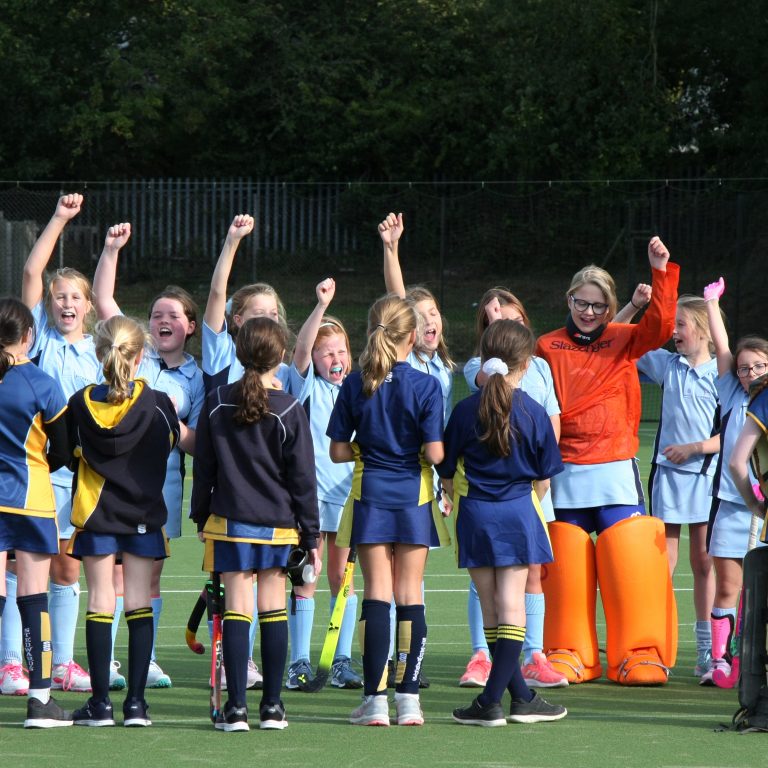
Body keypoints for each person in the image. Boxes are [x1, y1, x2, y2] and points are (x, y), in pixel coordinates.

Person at [535, 237, 679, 685]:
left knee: (630, 553)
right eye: (583, 303)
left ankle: (639, 652)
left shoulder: (626, 338)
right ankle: (567, 650)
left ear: (610, 307)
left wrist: (660, 271)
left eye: (599, 306)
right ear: (570, 299)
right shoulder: (547, 345)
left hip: (615, 467)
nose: (590, 313)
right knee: (565, 558)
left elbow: (660, 326)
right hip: (565, 470)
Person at [191, 317, 320, 731]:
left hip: (229, 523)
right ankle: (273, 707)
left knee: (237, 611)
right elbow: (303, 479)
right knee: (273, 608)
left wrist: (199, 515)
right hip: (277, 526)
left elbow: (204, 467)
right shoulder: (289, 408)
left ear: (238, 352)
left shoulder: (217, 401)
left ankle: (237, 709)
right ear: (280, 356)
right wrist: (311, 532)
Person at [92, 222, 205, 690]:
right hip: (113, 480)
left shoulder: (196, 378)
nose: (164, 320)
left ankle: (148, 657)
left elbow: (197, 441)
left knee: (150, 573)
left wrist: (163, 423)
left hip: (161, 484)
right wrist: (111, 249)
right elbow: (103, 300)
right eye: (157, 313)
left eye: (173, 315)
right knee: (114, 575)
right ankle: (112, 662)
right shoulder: (135, 355)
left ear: (190, 326)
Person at [327, 294, 448, 727]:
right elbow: (435, 453)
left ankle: (375, 700)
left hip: (371, 495)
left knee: (377, 593)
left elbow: (338, 450)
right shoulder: (427, 385)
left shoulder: (354, 383)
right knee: (410, 594)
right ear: (412, 337)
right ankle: (409, 700)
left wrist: (368, 449)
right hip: (413, 498)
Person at [440, 319, 567, 726]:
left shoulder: (464, 409)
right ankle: (493, 701)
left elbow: (446, 471)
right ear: (526, 363)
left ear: (483, 355)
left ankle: (520, 697)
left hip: (475, 515)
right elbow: (544, 479)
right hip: (516, 513)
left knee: (493, 608)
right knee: (512, 607)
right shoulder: (533, 413)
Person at [66, 316, 186, 726]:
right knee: (138, 602)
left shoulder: (80, 402)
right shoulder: (158, 403)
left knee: (100, 602)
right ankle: (136, 704)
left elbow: (66, 452)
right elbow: (176, 442)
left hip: (97, 513)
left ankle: (100, 704)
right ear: (139, 357)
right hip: (143, 513)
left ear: (100, 354)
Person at [202, 213, 288, 687]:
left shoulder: (281, 374)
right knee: (241, 588)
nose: (266, 320)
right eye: (256, 313)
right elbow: (216, 295)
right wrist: (232, 241)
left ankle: (246, 670)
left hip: (261, 489)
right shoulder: (222, 352)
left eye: (273, 314)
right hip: (225, 480)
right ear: (237, 321)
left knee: (254, 587)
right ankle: (241, 667)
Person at [19, 193, 96, 694]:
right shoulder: (41, 338)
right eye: (59, 296)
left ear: (87, 306)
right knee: (23, 566)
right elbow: (30, 273)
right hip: (36, 472)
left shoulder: (98, 348)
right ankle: (14, 661)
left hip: (81, 474)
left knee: (68, 567)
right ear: (48, 305)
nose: (66, 303)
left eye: (75, 297)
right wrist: (61, 218)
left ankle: (65, 662)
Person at [379, 211, 454, 688]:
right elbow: (398, 303)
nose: (428, 322)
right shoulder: (408, 362)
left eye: (434, 315)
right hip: (399, 476)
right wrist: (391, 250)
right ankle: (390, 661)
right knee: (393, 579)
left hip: (430, 479)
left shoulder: (444, 367)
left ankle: (407, 663)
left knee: (413, 578)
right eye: (420, 318)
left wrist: (446, 481)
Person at [637, 295, 720, 677]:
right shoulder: (666, 366)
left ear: (703, 329)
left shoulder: (724, 373)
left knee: (704, 563)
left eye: (681, 324)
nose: (674, 332)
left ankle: (708, 652)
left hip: (708, 479)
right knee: (661, 566)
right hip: (668, 478)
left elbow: (733, 431)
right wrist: (639, 306)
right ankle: (657, 647)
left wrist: (696, 448)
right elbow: (626, 344)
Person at [0, 297, 72, 727]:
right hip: (30, 498)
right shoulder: (41, 383)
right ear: (28, 336)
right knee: (33, 598)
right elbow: (62, 450)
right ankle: (40, 700)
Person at [286, 277, 361, 690]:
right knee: (306, 578)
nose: (335, 358)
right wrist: (320, 307)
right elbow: (299, 351)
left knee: (341, 579)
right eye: (326, 352)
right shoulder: (306, 387)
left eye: (341, 351)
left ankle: (340, 660)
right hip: (310, 503)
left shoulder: (357, 388)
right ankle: (298, 663)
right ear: (314, 359)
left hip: (348, 500)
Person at [700, 277, 768, 684]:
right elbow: (722, 348)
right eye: (745, 368)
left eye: (760, 365)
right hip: (731, 504)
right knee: (728, 586)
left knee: (759, 593)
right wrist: (711, 303)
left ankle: (749, 660)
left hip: (764, 509)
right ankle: (721, 659)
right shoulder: (732, 393)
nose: (751, 372)